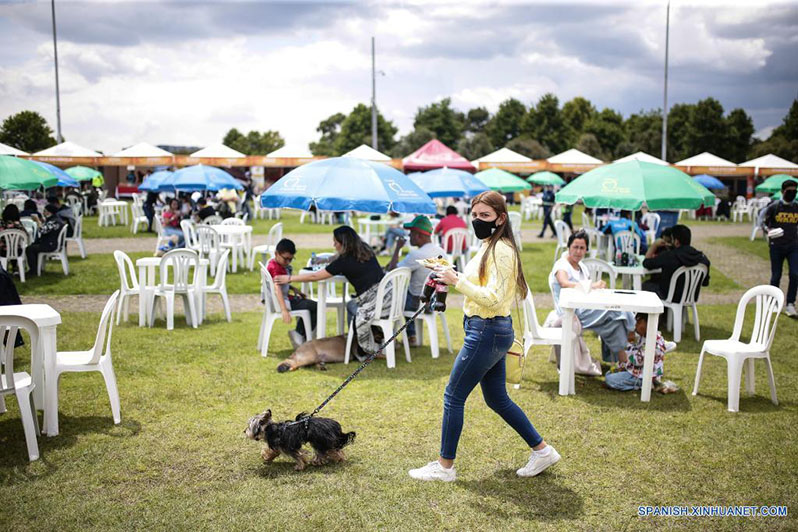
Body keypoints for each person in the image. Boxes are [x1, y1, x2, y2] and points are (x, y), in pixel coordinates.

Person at [409, 190, 560, 482]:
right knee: (497, 399)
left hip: (487, 331)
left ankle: (444, 467)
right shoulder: (489, 244)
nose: (478, 220)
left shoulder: (502, 250)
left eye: (485, 216)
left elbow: (493, 298)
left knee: (453, 396)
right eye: (475, 215)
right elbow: (484, 284)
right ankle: (542, 451)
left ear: (500, 218)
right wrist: (450, 273)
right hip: (486, 330)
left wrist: (457, 281)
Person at [275, 226, 388, 357]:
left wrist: (289, 278)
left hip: (374, 303)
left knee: (353, 307)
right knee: (351, 305)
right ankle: (364, 340)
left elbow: (315, 276)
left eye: (335, 242)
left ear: (343, 243)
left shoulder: (344, 261)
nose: (333, 244)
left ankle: (363, 347)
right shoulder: (364, 249)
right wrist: (326, 260)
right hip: (389, 297)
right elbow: (337, 258)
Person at [550, 230, 635, 363]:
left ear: (586, 250)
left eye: (582, 248)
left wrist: (597, 289)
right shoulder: (562, 265)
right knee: (615, 309)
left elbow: (587, 291)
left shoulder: (582, 267)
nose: (578, 251)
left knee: (615, 321)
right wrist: (593, 286)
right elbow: (564, 283)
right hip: (570, 312)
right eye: (575, 247)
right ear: (569, 248)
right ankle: (634, 333)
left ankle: (621, 361)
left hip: (584, 308)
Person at [386, 215, 446, 344]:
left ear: (418, 235)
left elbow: (392, 270)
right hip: (436, 299)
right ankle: (411, 335)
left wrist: (397, 248)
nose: (409, 237)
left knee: (396, 296)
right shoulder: (441, 251)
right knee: (409, 291)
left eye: (411, 233)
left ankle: (402, 336)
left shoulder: (416, 255)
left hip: (418, 302)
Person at [605, 313, 676, 393]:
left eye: (638, 323)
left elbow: (637, 361)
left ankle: (645, 384)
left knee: (610, 380)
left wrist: (626, 346)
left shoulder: (653, 342)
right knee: (609, 374)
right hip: (636, 370)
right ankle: (647, 383)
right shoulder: (643, 335)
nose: (635, 326)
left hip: (643, 376)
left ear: (649, 323)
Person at [266, 239, 318, 348]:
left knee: (309, 304)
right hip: (282, 301)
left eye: (290, 259)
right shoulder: (276, 268)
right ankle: (299, 334)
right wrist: (284, 310)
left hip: (283, 298)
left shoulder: (273, 264)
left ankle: (301, 335)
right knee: (315, 306)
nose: (288, 262)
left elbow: (281, 284)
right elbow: (277, 288)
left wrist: (294, 289)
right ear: (276, 254)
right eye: (285, 259)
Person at [641, 224, 710, 301]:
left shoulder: (669, 256)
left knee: (643, 286)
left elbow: (646, 263)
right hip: (690, 297)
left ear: (676, 242)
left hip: (669, 296)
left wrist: (654, 245)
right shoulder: (703, 258)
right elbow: (705, 283)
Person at [762, 178, 798, 317]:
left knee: (795, 274)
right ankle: (773, 303)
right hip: (776, 246)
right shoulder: (774, 207)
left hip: (793, 246)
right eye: (790, 191)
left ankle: (790, 304)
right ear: (783, 191)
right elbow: (764, 223)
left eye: (795, 191)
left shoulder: (796, 207)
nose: (792, 194)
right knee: (776, 275)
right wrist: (769, 231)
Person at [25, 204, 64, 274]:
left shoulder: (54, 221)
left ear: (49, 212)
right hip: (51, 243)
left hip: (50, 245)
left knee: (29, 249)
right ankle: (37, 268)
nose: (43, 213)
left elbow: (43, 231)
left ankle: (33, 270)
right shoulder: (56, 219)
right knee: (33, 246)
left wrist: (38, 221)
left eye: (45, 211)